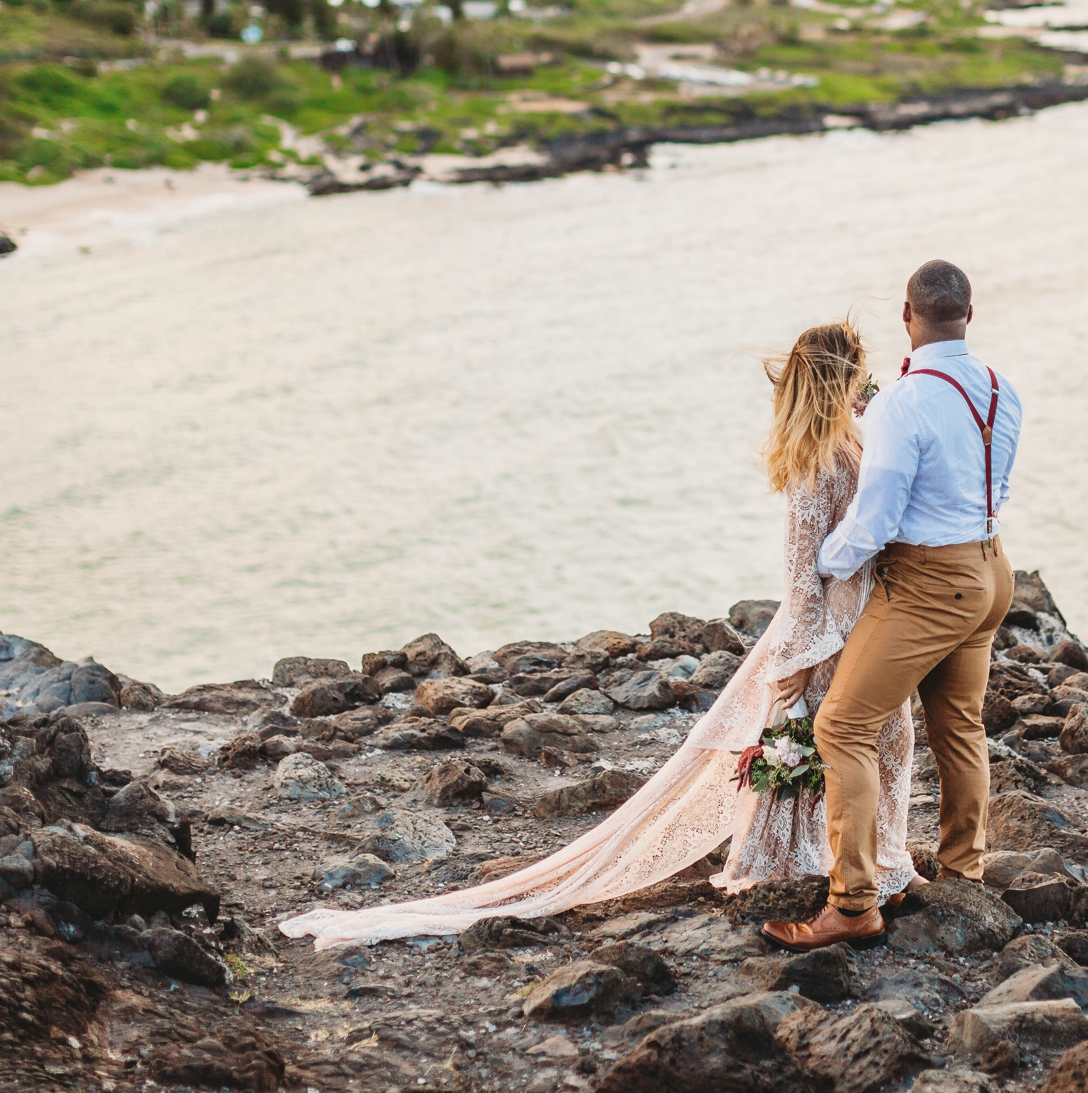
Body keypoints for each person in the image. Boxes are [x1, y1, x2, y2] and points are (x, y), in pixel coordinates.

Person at [279, 320, 919, 950]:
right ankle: (852, 874)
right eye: (862, 377)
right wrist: (797, 668)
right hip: (828, 632)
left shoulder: (853, 444)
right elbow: (801, 577)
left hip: (863, 618)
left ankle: (881, 866)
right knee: (848, 746)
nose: (871, 387)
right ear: (838, 382)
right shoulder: (815, 463)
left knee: (885, 740)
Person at [761, 259, 1023, 953]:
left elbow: (873, 525)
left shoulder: (901, 404)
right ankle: (961, 872)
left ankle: (851, 904)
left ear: (909, 317)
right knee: (958, 725)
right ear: (969, 314)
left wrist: (820, 565)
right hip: (993, 569)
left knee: (842, 727)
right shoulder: (1000, 389)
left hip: (930, 583)